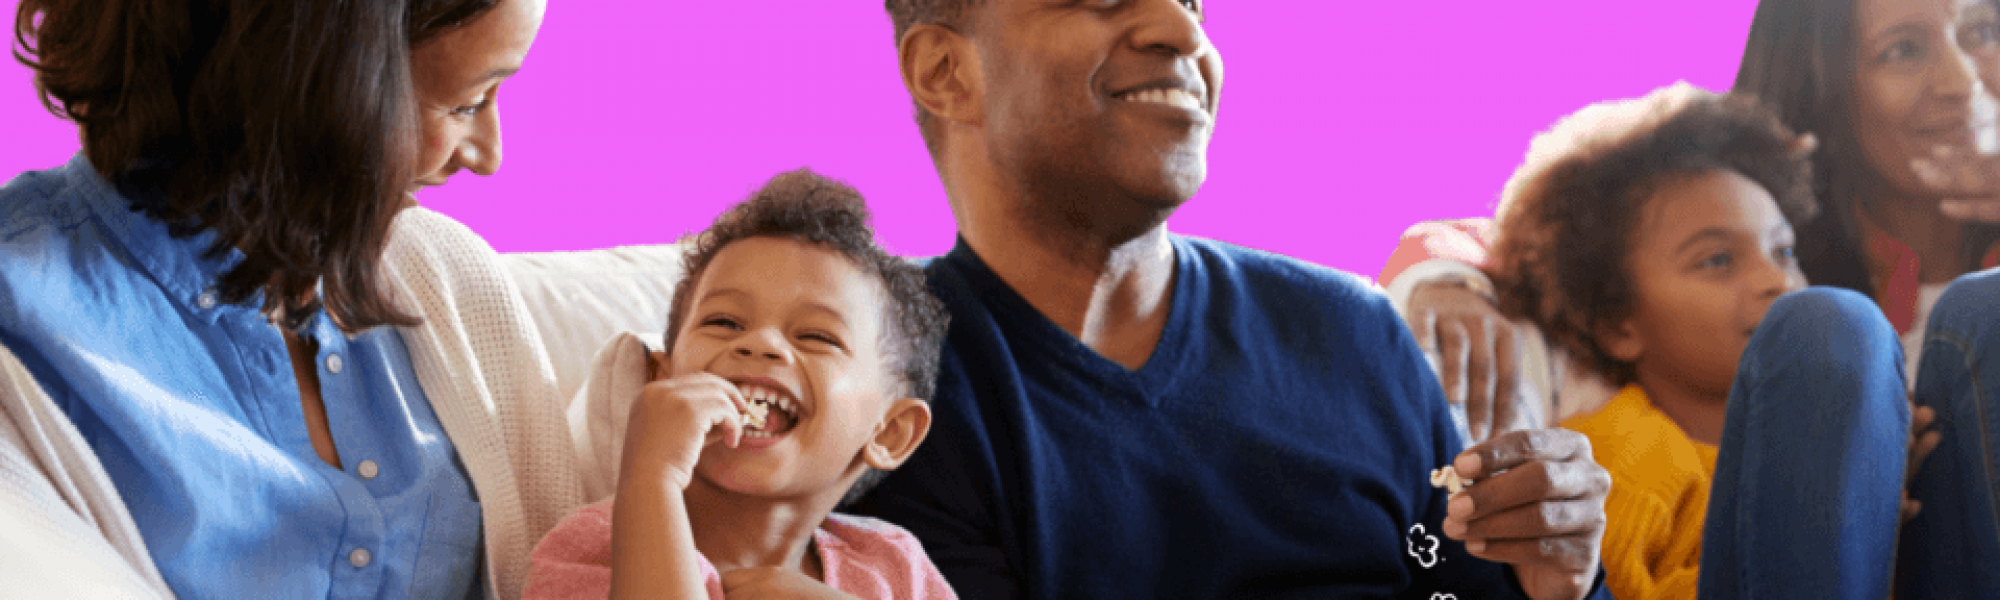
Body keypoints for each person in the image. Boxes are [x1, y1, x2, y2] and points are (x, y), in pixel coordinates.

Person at [851, 0, 1614, 598]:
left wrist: (1563, 584)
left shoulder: (1354, 333)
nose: (1182, 30)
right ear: (946, 71)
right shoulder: (873, 384)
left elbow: (1459, 588)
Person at [1380, 0, 2000, 596]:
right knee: (1831, 323)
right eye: (1901, 50)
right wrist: (1441, 278)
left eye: (1784, 254)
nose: (1773, 279)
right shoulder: (1627, 452)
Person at [0, 0, 583, 597]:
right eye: (465, 103)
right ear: (311, 83)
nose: (489, 156)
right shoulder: (23, 319)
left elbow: (568, 570)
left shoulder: (450, 278)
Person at [523, 170, 956, 600]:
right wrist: (653, 476)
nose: (760, 343)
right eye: (724, 322)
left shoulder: (895, 568)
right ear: (658, 382)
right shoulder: (595, 550)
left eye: (816, 336)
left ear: (890, 432)